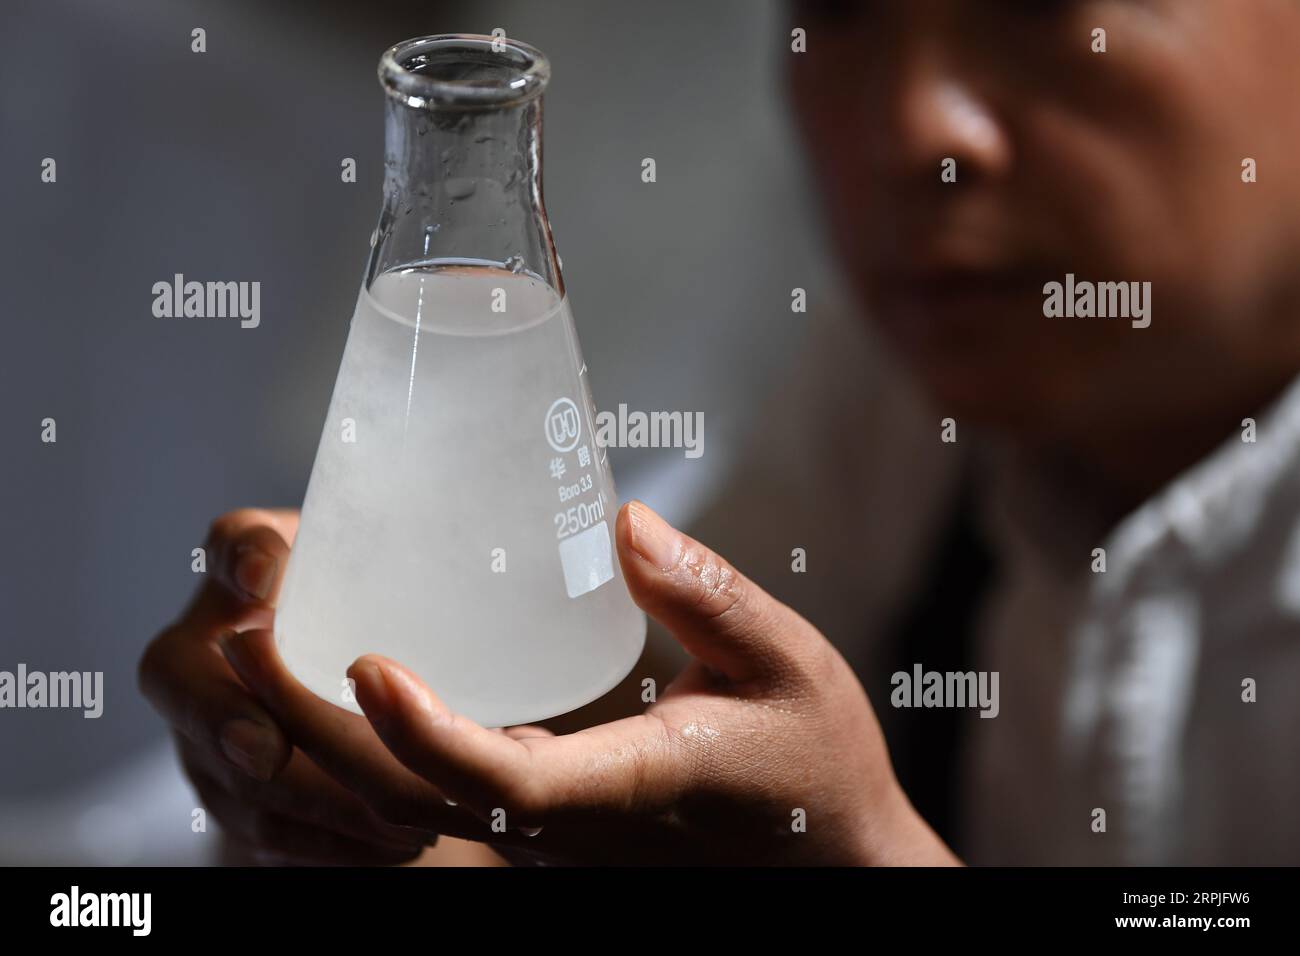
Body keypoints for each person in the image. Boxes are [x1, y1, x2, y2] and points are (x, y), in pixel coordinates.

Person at [139, 0, 1300, 865]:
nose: (912, 129)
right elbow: (603, 763)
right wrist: (364, 808)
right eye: (838, 11)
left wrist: (861, 845)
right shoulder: (889, 403)